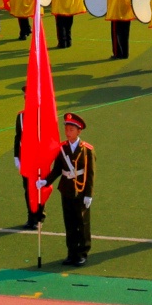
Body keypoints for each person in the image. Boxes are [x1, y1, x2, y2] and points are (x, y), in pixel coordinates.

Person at [36, 113, 96, 267]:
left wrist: (89, 194)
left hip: (81, 191)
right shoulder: (62, 148)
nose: (68, 132)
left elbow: (90, 174)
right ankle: (71, 253)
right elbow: (57, 169)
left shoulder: (87, 150)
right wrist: (45, 181)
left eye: (71, 129)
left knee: (82, 223)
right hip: (66, 190)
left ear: (78, 131)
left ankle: (82, 253)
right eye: (66, 129)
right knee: (69, 223)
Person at [12, 111, 46, 229]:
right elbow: (18, 136)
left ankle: (39, 217)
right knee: (28, 188)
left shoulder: (42, 114)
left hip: (39, 158)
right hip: (26, 159)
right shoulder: (21, 116)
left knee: (38, 188)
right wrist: (16, 156)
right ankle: (30, 217)